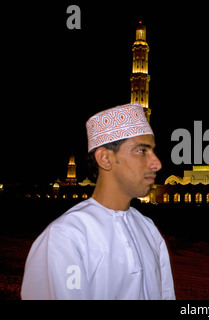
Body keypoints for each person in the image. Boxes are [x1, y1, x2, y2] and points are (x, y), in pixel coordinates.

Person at [21, 103, 175, 300]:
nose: (157, 163)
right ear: (105, 158)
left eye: (152, 151)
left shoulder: (148, 228)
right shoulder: (67, 236)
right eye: (141, 151)